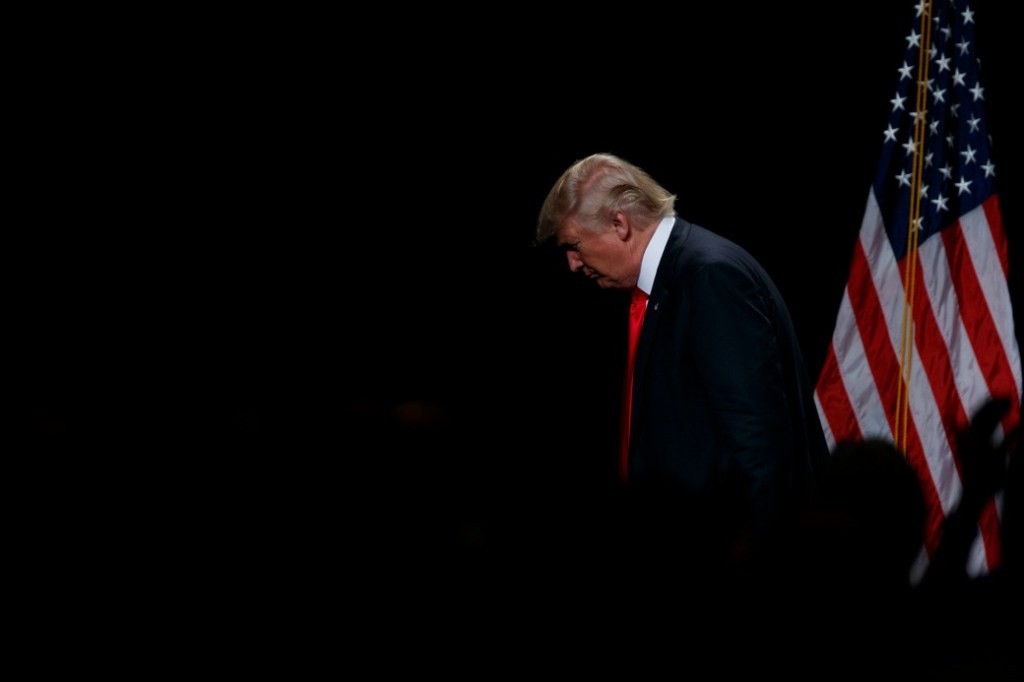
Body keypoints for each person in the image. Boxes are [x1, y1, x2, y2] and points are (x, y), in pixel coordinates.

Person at [535, 152, 830, 565]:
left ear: (619, 224)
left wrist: (754, 556)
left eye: (574, 245)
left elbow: (758, 440)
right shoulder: (673, 279)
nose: (571, 263)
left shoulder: (709, 276)